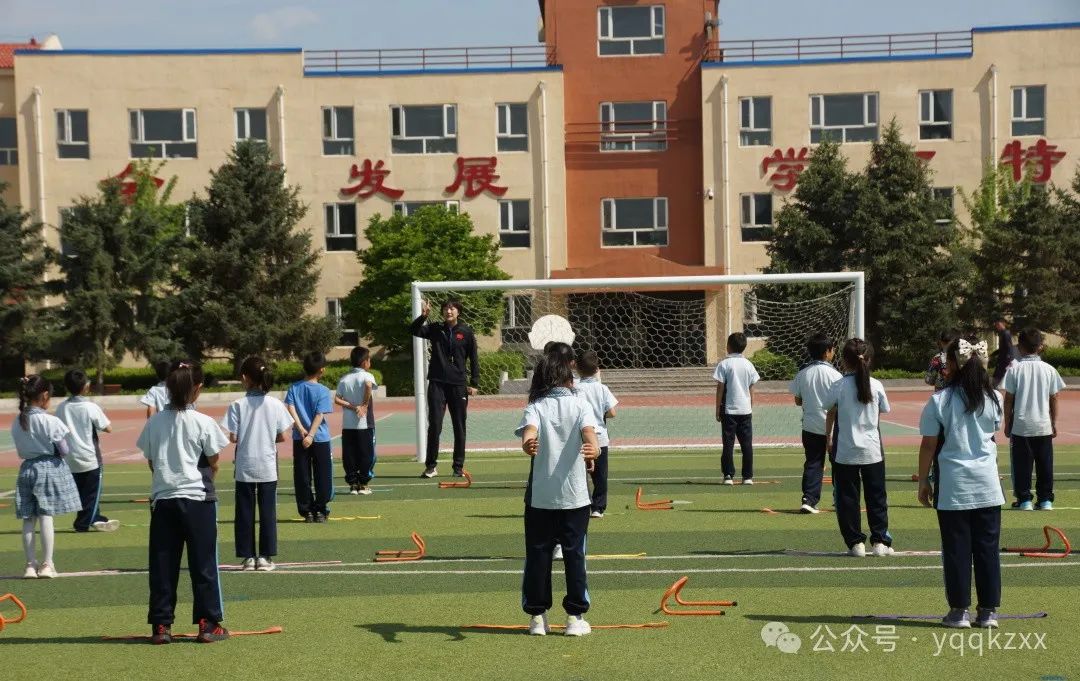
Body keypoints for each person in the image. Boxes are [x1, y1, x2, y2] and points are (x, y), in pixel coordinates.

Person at [136, 361, 230, 644]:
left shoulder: (154, 422)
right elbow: (214, 459)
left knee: (163, 564)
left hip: (164, 500)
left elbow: (152, 461)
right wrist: (209, 473)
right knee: (203, 563)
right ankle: (207, 623)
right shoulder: (202, 422)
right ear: (197, 389)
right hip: (197, 500)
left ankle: (161, 626)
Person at [917, 335, 1005, 629]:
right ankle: (988, 611)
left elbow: (929, 444)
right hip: (988, 484)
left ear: (953, 363)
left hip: (954, 484)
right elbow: (991, 433)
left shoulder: (939, 400)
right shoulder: (994, 398)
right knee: (987, 549)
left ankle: (959, 612)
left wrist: (923, 482)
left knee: (956, 549)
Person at [515, 342, 599, 637]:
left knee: (537, 556)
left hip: (541, 497)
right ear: (567, 377)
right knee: (575, 556)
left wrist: (528, 443)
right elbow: (590, 434)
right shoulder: (580, 404)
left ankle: (538, 618)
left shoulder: (536, 406)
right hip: (575, 496)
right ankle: (575, 618)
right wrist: (594, 449)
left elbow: (529, 433)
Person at [822, 339, 893, 558]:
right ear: (869, 360)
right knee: (877, 497)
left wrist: (828, 436)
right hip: (872, 450)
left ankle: (855, 543)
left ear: (844, 360)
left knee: (847, 500)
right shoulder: (877, 385)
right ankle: (880, 541)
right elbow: (884, 410)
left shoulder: (839, 385)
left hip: (845, 451)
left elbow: (828, 408)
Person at [222, 357, 293, 572]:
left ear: (245, 378)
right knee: (268, 512)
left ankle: (247, 557)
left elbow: (232, 437)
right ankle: (265, 557)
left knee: (244, 512)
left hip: (245, 464)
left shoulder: (237, 405)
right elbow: (283, 436)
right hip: (267, 464)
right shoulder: (275, 404)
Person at [12, 375, 81, 579]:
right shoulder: (50, 420)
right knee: (45, 516)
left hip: (26, 468)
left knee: (28, 518)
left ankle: (29, 566)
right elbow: (64, 449)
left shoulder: (18, 421)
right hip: (47, 467)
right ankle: (47, 564)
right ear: (44, 396)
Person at [410, 299, 479, 478]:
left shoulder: (466, 332)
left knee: (459, 426)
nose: (449, 311)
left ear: (458, 312)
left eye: (452, 308)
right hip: (437, 383)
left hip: (458, 385)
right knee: (435, 425)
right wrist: (423, 316)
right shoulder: (435, 329)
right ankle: (431, 466)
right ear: (442, 312)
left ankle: (458, 467)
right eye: (446, 308)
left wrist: (474, 383)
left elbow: (474, 357)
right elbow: (413, 330)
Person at [1003, 328, 1065, 511]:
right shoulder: (1049, 370)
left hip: (1021, 425)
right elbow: (1054, 397)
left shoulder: (1015, 370)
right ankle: (1045, 499)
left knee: (1022, 464)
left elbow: (1008, 399)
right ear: (1040, 346)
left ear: (1020, 347)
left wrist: (1007, 423)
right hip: (1043, 425)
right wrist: (1054, 422)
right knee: (1045, 464)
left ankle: (1024, 500)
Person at [55, 369, 119, 533]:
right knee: (92, 492)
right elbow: (108, 428)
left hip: (70, 457)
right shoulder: (90, 406)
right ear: (85, 387)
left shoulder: (61, 407)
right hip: (89, 456)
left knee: (81, 491)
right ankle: (83, 523)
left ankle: (95, 517)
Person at [789, 333, 842, 514]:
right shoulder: (835, 375)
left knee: (813, 462)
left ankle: (809, 499)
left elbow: (797, 400)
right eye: (832, 349)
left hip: (810, 426)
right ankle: (840, 499)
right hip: (833, 427)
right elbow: (839, 402)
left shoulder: (803, 373)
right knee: (839, 463)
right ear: (827, 352)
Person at [285, 351, 335, 522]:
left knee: (302, 475)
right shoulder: (323, 390)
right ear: (322, 370)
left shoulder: (294, 388)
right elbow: (319, 414)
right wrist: (311, 434)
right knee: (323, 474)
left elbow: (290, 408)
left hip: (300, 438)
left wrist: (301, 430)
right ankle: (320, 509)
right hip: (319, 437)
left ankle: (306, 511)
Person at [574, 350, 618, 519]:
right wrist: (600, 414)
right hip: (599, 436)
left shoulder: (575, 388)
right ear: (597, 369)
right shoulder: (602, 388)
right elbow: (612, 413)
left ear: (577, 368)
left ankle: (581, 504)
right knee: (600, 475)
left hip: (579, 436)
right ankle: (598, 507)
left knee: (579, 472)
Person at [713, 332, 760, 485]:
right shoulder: (748, 364)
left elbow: (720, 388)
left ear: (728, 346)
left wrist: (717, 408)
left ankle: (728, 475)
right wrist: (751, 404)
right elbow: (752, 387)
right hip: (745, 410)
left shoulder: (724, 364)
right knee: (747, 444)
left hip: (729, 410)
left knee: (728, 443)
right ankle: (748, 476)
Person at [335, 346, 379, 495]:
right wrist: (364, 405)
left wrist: (353, 407)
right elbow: (368, 386)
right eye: (369, 359)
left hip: (347, 425)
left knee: (349, 454)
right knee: (367, 454)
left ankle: (353, 484)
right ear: (364, 362)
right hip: (365, 424)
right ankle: (364, 484)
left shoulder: (344, 379)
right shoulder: (367, 376)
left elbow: (336, 399)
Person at [991, 320, 1016, 389]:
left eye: (998, 325)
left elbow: (1009, 347)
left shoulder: (1006, 333)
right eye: (996, 325)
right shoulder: (1002, 334)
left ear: (1003, 324)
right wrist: (992, 354)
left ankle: (996, 389)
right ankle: (995, 388)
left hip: (1005, 360)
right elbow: (1002, 348)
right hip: (1002, 359)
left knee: (1000, 376)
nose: (997, 327)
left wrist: (1009, 359)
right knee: (998, 375)